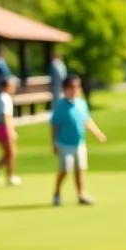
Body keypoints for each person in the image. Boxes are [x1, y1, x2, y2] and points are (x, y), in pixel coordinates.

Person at [50, 75, 106, 206]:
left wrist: (98, 133)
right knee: (65, 170)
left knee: (80, 169)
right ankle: (57, 192)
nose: (75, 90)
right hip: (64, 143)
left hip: (79, 143)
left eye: (77, 87)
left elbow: (87, 120)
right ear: (65, 89)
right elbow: (54, 125)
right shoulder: (60, 106)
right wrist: (53, 143)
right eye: (71, 87)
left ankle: (81, 195)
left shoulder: (81, 103)